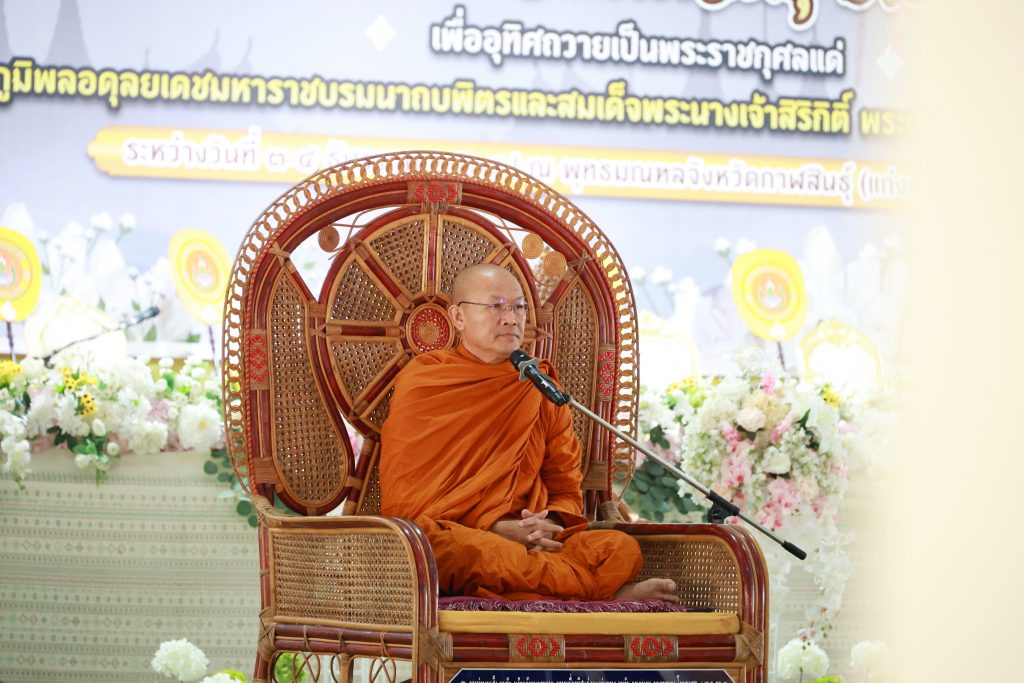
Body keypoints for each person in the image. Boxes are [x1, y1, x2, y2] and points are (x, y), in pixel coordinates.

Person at [380, 263, 677, 602]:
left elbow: (566, 488)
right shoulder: (425, 381)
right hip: (460, 538)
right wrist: (496, 528)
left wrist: (545, 524)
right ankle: (603, 594)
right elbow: (406, 506)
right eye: (496, 306)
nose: (511, 318)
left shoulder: (540, 387)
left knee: (620, 549)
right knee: (447, 550)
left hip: (536, 545)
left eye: (519, 307)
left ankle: (561, 587)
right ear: (458, 317)